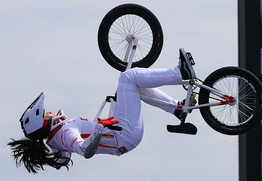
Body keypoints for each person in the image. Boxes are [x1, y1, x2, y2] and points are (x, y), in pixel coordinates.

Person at [8, 48, 196, 174]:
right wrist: (98, 130)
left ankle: (177, 108)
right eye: (45, 114)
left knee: (132, 86)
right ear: (42, 123)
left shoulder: (55, 138)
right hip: (124, 134)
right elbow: (85, 151)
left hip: (121, 135)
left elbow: (62, 159)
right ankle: (180, 74)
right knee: (128, 78)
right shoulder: (65, 134)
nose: (49, 113)